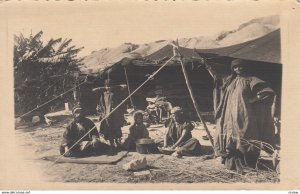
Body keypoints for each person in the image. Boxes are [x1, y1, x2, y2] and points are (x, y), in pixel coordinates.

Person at [203, 58, 275, 173]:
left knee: (245, 134)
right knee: (230, 136)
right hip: (229, 115)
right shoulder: (230, 81)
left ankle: (248, 162)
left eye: (240, 66)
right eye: (235, 67)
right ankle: (233, 159)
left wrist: (252, 100)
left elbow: (267, 91)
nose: (238, 69)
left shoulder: (251, 79)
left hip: (244, 114)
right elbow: (218, 80)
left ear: (245, 67)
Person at [95, 79, 127, 148]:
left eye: (110, 86)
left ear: (113, 86)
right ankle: (111, 143)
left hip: (115, 115)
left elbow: (121, 103)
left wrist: (117, 110)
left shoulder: (115, 94)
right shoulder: (103, 95)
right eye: (107, 86)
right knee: (108, 129)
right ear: (105, 86)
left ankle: (117, 141)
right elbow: (101, 105)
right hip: (107, 115)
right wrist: (103, 113)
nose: (108, 88)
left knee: (116, 128)